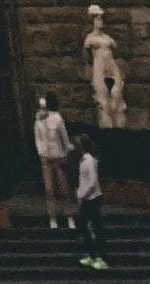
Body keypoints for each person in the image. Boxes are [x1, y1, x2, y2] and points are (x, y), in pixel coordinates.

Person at [38, 98, 80, 228]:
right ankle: (59, 218)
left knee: (57, 189)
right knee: (56, 189)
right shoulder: (42, 120)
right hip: (51, 157)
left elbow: (62, 138)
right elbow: (40, 138)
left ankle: (63, 217)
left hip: (56, 157)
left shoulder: (56, 119)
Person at [76, 139, 109, 273]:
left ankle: (101, 258)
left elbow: (92, 181)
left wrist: (82, 194)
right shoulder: (83, 160)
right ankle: (92, 254)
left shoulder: (89, 161)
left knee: (95, 226)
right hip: (87, 198)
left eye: (76, 145)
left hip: (93, 198)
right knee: (84, 225)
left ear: (82, 147)